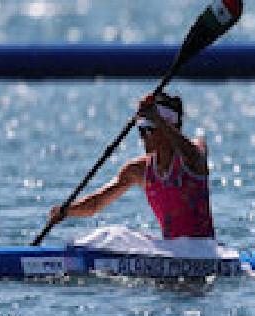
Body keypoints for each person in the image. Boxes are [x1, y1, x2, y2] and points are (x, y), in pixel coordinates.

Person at [49, 92, 215, 240]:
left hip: (203, 250)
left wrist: (157, 118)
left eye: (149, 130)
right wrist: (66, 211)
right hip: (173, 251)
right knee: (114, 235)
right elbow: (96, 203)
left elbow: (195, 153)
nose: (143, 137)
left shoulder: (193, 157)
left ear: (168, 127)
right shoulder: (138, 170)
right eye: (141, 131)